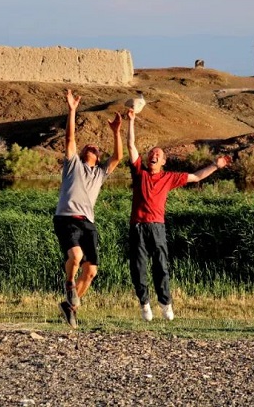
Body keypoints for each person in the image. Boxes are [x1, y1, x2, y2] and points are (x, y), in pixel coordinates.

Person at [126, 108, 230, 321]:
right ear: (147, 159)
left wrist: (215, 166)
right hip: (138, 226)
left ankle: (165, 303)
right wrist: (131, 121)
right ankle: (145, 303)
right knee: (139, 268)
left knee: (161, 266)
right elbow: (130, 145)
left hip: (157, 226)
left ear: (163, 161)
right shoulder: (139, 173)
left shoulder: (169, 178)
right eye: (152, 153)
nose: (154, 155)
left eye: (158, 155)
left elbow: (196, 177)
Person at [54, 89, 123, 328]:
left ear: (98, 155)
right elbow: (70, 140)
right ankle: (69, 283)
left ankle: (70, 305)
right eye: (88, 147)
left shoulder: (100, 174)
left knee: (91, 271)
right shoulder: (73, 165)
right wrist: (72, 111)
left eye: (94, 148)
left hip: (88, 222)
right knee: (76, 256)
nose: (91, 147)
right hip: (66, 217)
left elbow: (117, 157)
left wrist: (116, 132)